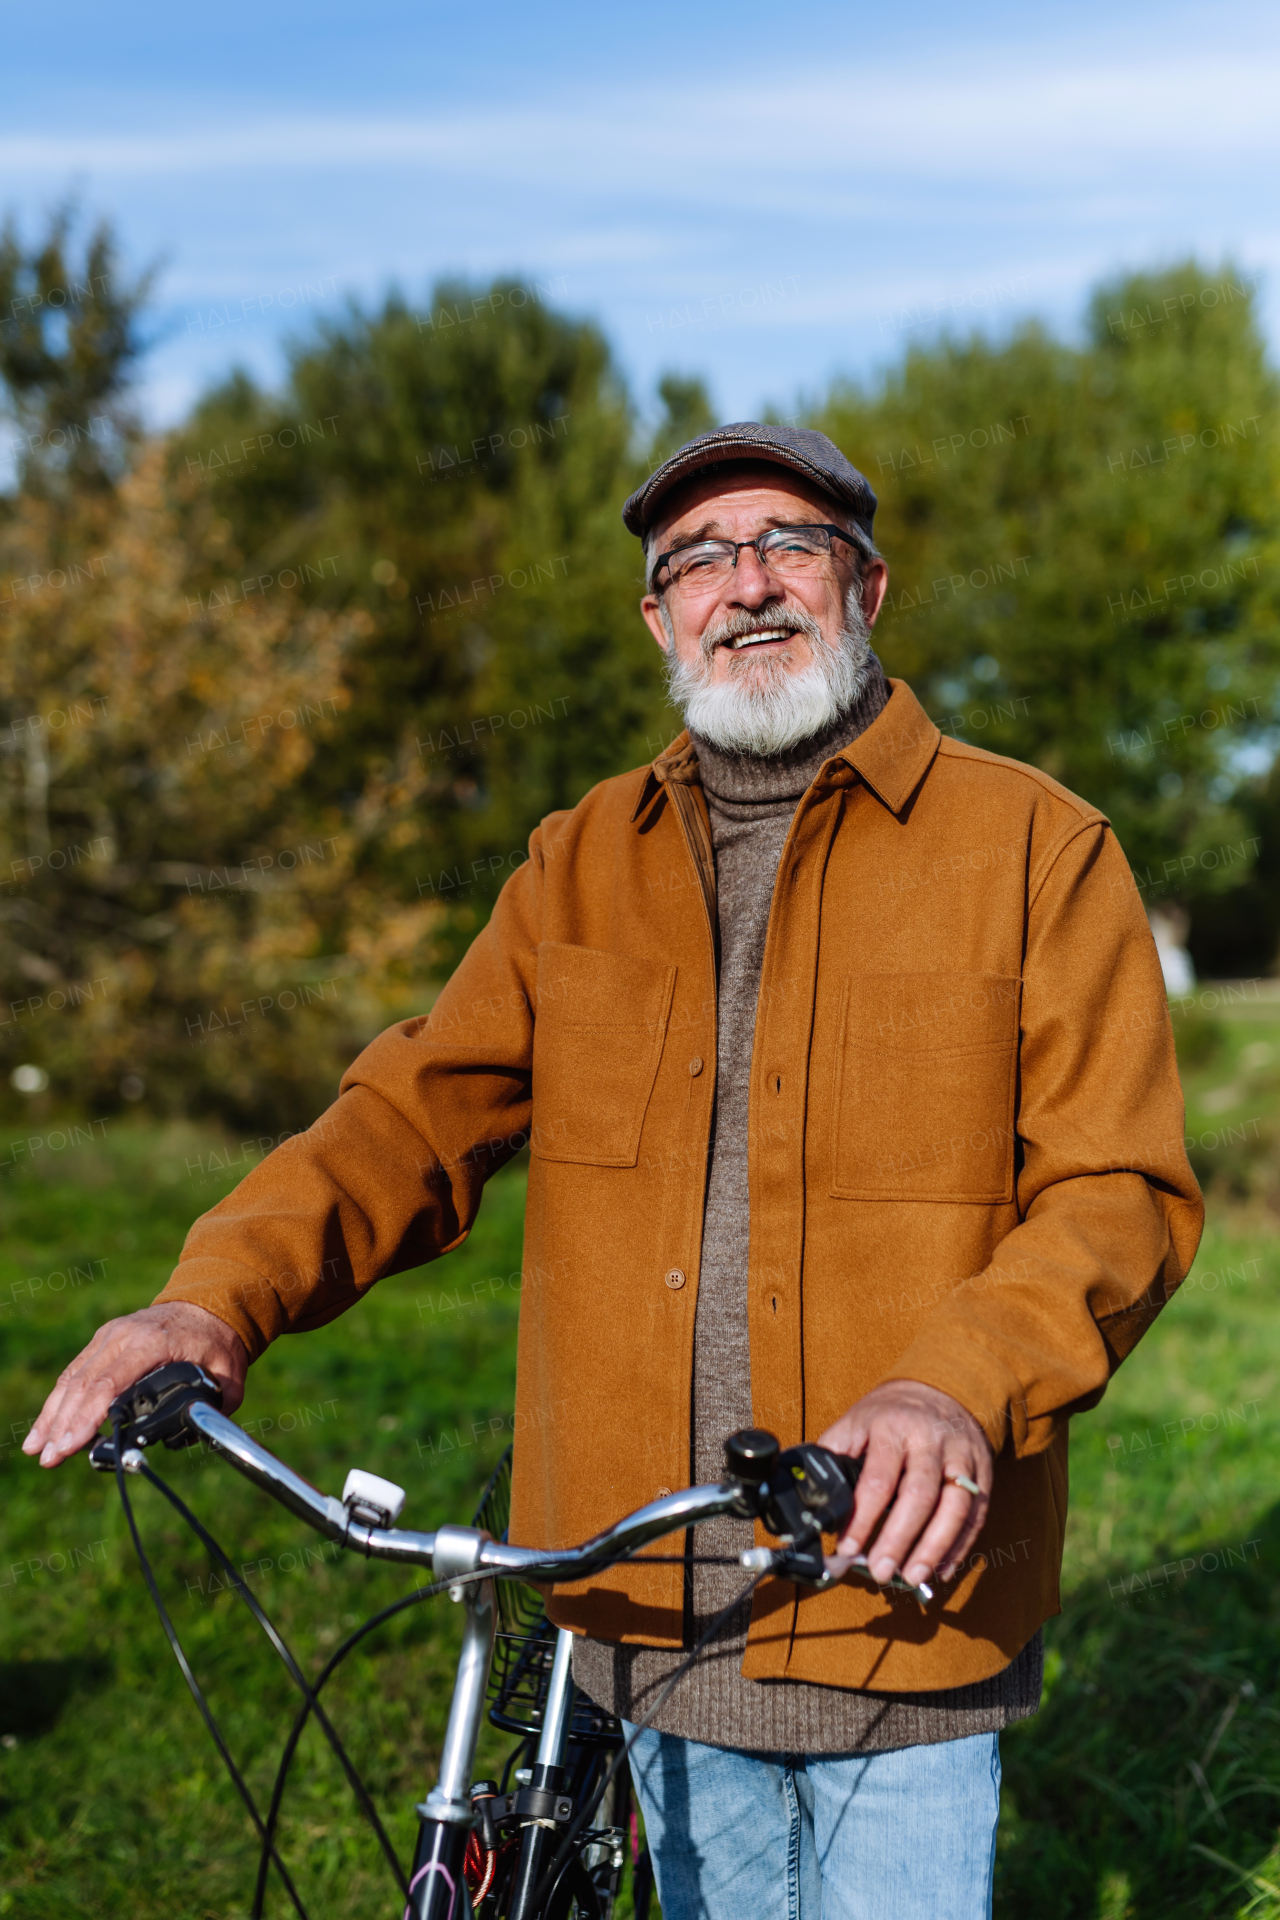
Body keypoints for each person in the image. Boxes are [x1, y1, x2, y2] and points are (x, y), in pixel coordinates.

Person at [26, 423, 1202, 1919]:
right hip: (644, 1609)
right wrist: (212, 1304)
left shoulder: (1039, 845)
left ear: (869, 584)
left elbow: (1121, 1190)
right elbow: (404, 1121)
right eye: (699, 559)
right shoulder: (578, 863)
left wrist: (952, 1382)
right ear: (659, 617)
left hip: (902, 1610)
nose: (748, 584)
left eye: (790, 543)